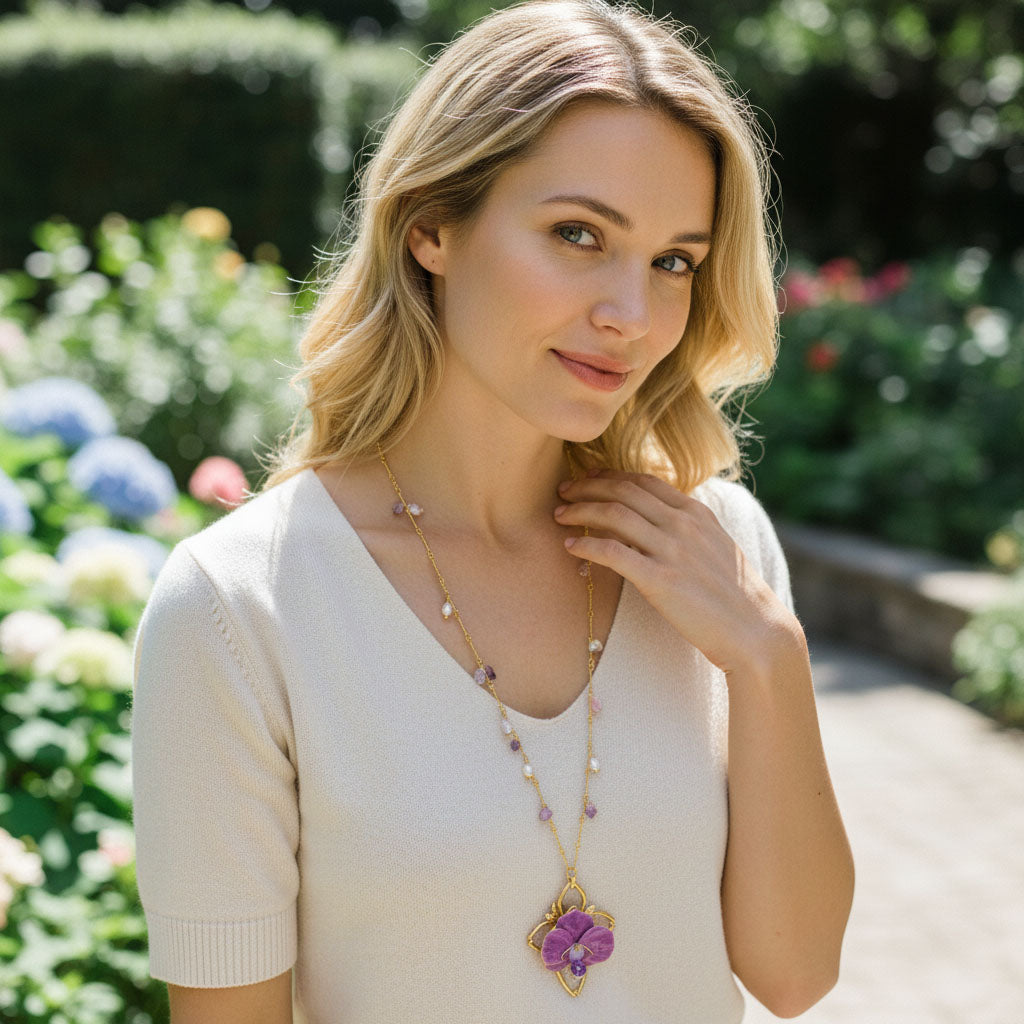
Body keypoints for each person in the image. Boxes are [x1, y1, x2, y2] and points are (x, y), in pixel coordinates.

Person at [130, 0, 855, 1020]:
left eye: (673, 261)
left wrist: (767, 659)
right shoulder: (239, 608)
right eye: (577, 234)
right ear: (432, 226)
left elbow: (794, 974)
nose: (631, 314)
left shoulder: (717, 554)